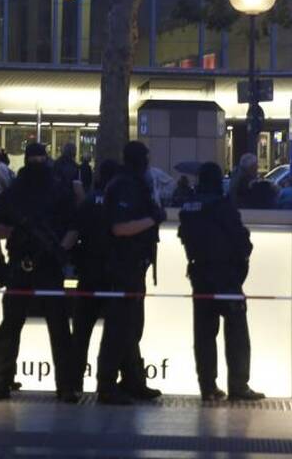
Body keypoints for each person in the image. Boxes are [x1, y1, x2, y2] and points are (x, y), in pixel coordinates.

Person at [0, 142, 78, 402]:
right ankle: (60, 385)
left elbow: (74, 228)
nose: (37, 164)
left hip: (36, 264)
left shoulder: (20, 190)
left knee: (38, 326)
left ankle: (4, 381)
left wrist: (57, 251)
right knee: (44, 327)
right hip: (32, 264)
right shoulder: (41, 189)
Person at [178, 161, 265, 402]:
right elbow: (240, 238)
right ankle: (238, 386)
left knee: (204, 334)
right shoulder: (222, 205)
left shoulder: (189, 206)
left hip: (199, 273)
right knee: (236, 331)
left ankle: (208, 387)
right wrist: (242, 259)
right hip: (226, 276)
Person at [95, 141, 165, 405]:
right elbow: (120, 228)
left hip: (133, 266)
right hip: (122, 267)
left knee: (131, 327)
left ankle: (132, 380)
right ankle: (107, 385)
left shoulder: (134, 183)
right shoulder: (124, 185)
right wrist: (153, 219)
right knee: (118, 328)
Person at [62, 158, 139, 394]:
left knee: (81, 333)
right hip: (114, 276)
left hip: (88, 274)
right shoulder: (119, 202)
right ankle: (109, 384)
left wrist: (60, 256)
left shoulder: (86, 202)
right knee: (116, 333)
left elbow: (72, 236)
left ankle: (73, 384)